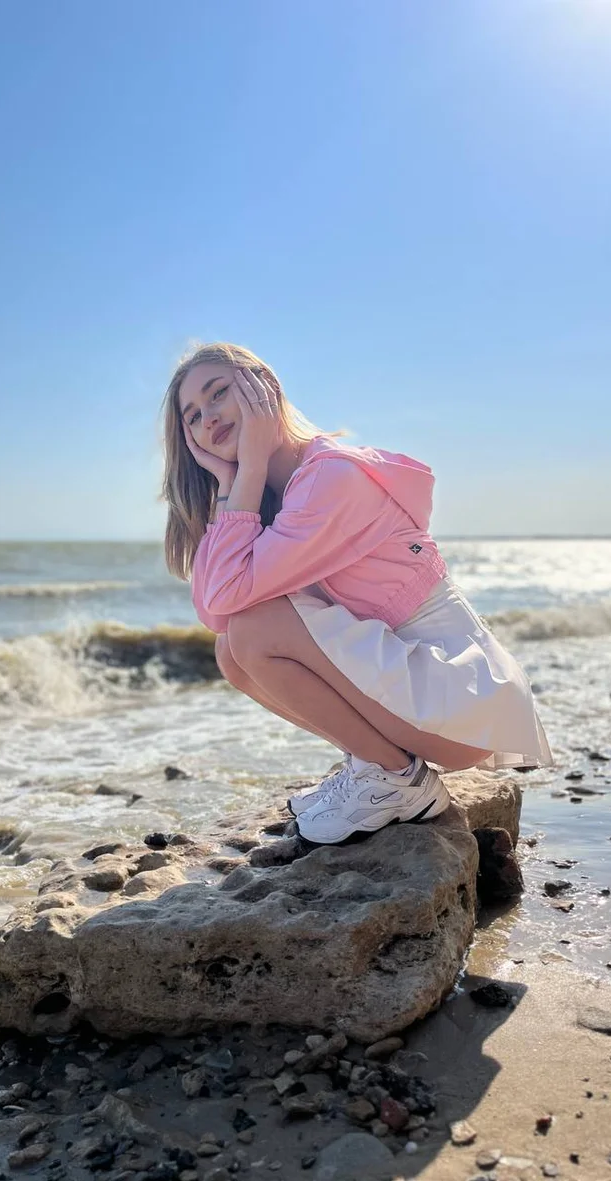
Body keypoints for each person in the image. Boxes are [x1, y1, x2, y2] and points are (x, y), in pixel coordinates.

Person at [161, 342, 552, 845]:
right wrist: (232, 481)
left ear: (266, 388)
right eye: (193, 416)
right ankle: (376, 766)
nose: (208, 418)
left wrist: (249, 470)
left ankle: (396, 778)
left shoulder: (329, 478)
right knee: (231, 650)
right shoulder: (279, 492)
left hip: (462, 695)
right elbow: (215, 611)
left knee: (254, 630)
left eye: (218, 393)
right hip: (427, 691)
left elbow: (225, 601)